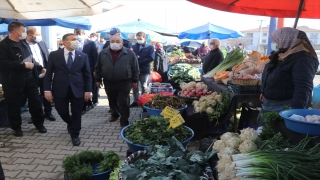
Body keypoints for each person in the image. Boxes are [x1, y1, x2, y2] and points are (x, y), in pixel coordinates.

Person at [258, 27, 319, 125]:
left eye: (276, 40)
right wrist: (264, 91)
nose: (274, 43)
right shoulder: (283, 54)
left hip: (285, 109)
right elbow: (271, 72)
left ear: (286, 40)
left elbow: (303, 88)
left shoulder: (303, 59)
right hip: (270, 105)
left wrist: (296, 114)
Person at [44, 33, 92, 146]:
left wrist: (88, 90)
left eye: (77, 39)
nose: (76, 41)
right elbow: (48, 73)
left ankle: (75, 134)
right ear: (65, 42)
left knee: (77, 112)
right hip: (60, 88)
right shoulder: (54, 55)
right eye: (73, 39)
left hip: (78, 88)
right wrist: (47, 90)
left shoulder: (83, 56)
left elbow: (87, 75)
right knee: (61, 111)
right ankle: (71, 123)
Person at [0, 21, 47, 137]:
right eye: (23, 31)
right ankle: (16, 127)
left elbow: (30, 58)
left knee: (36, 103)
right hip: (12, 81)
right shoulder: (3, 45)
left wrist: (40, 67)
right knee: (14, 105)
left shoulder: (24, 43)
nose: (25, 33)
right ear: (15, 32)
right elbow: (3, 63)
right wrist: (22, 65)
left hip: (29, 79)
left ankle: (39, 124)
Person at [95, 35, 139, 127]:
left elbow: (135, 68)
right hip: (108, 81)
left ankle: (124, 121)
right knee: (112, 100)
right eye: (113, 41)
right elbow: (98, 67)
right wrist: (98, 79)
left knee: (124, 102)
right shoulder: (103, 53)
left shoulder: (129, 53)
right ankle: (114, 114)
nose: (115, 43)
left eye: (117, 41)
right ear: (109, 42)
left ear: (122, 43)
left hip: (125, 82)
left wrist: (135, 81)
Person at [25, 27, 56, 121]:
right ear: (30, 35)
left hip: (44, 71)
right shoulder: (23, 45)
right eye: (37, 34)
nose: (39, 36)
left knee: (46, 91)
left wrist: (50, 70)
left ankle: (48, 112)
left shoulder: (41, 43)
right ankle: (34, 115)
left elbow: (47, 57)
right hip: (31, 72)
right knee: (33, 95)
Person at [74, 28, 98, 113]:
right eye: (76, 34)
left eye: (79, 34)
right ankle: (86, 104)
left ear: (83, 34)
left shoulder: (90, 44)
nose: (78, 36)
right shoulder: (74, 43)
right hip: (77, 70)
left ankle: (88, 103)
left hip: (89, 69)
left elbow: (95, 57)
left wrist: (95, 69)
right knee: (81, 87)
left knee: (88, 87)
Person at [130, 31, 155, 107]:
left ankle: (144, 101)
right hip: (134, 70)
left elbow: (151, 58)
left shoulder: (149, 47)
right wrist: (135, 58)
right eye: (137, 38)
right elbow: (131, 56)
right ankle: (136, 101)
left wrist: (139, 61)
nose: (138, 40)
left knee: (144, 86)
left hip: (144, 69)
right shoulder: (133, 47)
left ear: (144, 38)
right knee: (135, 86)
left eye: (140, 38)